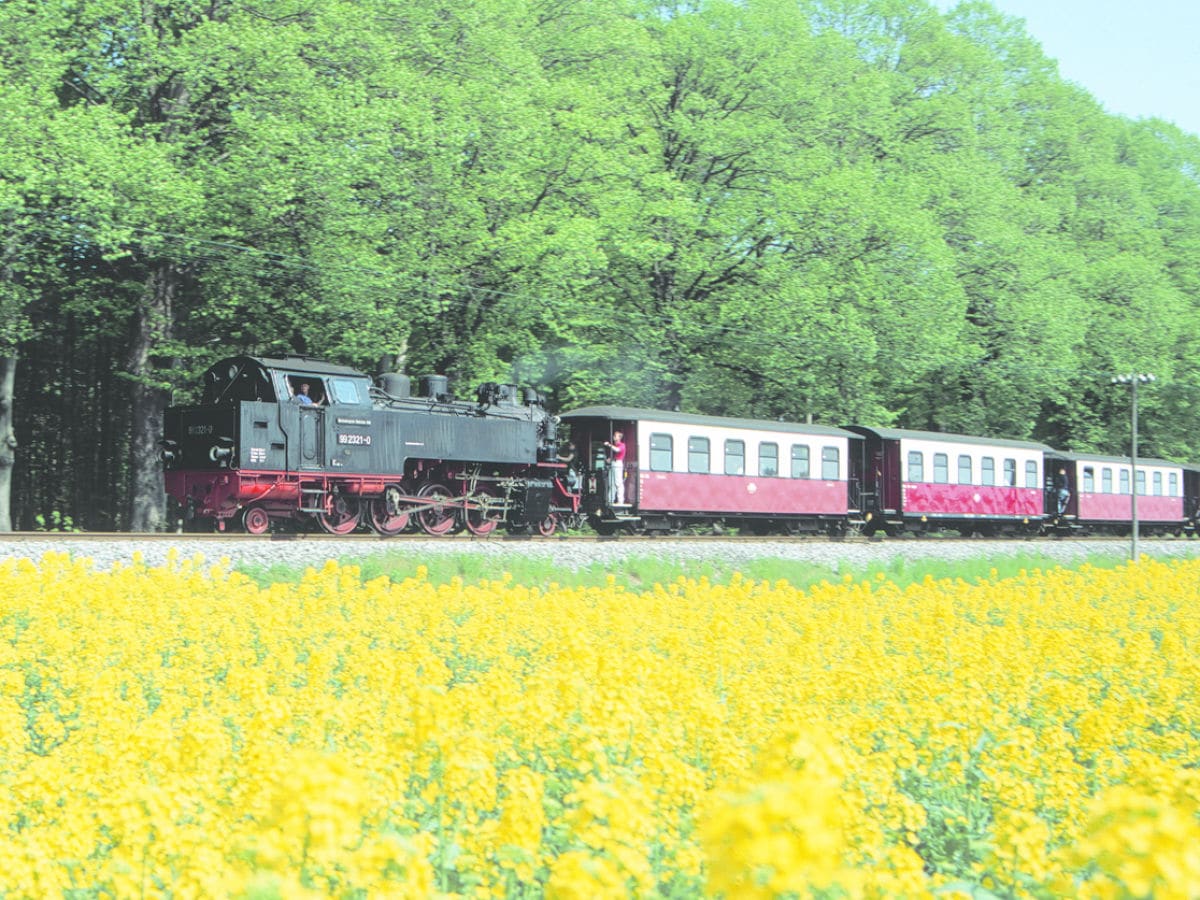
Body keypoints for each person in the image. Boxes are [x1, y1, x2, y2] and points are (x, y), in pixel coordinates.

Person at [604, 431, 626, 505]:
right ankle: (610, 499)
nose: (614, 437)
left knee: (618, 482)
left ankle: (620, 500)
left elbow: (617, 450)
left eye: (615, 436)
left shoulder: (622, 445)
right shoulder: (615, 445)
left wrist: (609, 445)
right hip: (613, 464)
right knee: (612, 483)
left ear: (619, 437)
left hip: (618, 464)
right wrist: (610, 459)